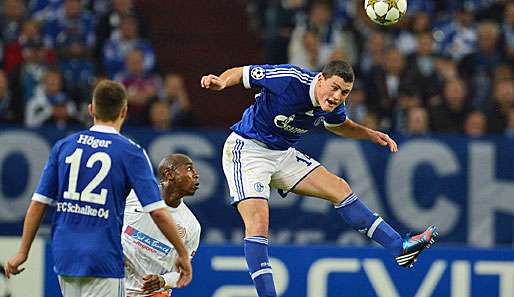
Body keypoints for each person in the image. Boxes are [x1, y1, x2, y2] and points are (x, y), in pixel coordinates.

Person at [201, 61, 438, 297]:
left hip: (282, 154)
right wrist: (222, 81)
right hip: (248, 149)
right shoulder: (291, 79)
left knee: (339, 188)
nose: (337, 96)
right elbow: (244, 73)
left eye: (345, 92)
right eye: (334, 88)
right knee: (258, 224)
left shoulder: (333, 103)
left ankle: (399, 247)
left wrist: (369, 133)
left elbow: (338, 125)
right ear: (321, 79)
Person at [3, 80, 192, 296]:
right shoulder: (131, 152)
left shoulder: (64, 146)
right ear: (124, 111)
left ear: (91, 110)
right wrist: (182, 253)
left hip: (66, 253)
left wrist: (22, 252)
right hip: (103, 257)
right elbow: (157, 211)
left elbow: (39, 203)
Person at [122, 154, 201, 296]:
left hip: (152, 294)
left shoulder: (192, 225)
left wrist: (163, 280)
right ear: (169, 174)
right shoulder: (133, 196)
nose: (196, 175)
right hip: (113, 285)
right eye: (189, 169)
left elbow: (182, 272)